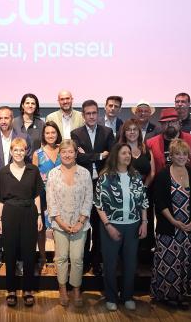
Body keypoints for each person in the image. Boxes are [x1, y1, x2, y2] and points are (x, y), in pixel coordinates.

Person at [150, 139, 191, 309]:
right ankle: (168, 295)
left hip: (190, 229)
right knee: (169, 262)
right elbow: (159, 202)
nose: (181, 157)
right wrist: (174, 222)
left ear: (188, 156)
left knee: (187, 262)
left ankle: (183, 294)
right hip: (169, 228)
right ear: (171, 156)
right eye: (177, 154)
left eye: (184, 154)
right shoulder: (162, 175)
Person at [95, 143, 148, 311]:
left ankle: (127, 296)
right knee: (110, 264)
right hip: (111, 226)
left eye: (129, 153)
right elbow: (98, 204)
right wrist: (108, 225)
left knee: (130, 264)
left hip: (132, 226)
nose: (128, 156)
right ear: (116, 155)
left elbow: (143, 201)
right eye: (124, 153)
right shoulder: (105, 176)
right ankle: (111, 296)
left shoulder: (136, 176)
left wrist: (144, 222)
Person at [0, 137, 44, 307]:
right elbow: (0, 199)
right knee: (10, 253)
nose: (18, 153)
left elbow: (37, 195)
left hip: (29, 212)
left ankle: (28, 289)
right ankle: (11, 290)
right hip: (9, 213)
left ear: (26, 151)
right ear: (11, 151)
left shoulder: (33, 170)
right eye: (15, 150)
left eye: (22, 150)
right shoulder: (3, 172)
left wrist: (39, 216)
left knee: (29, 252)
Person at [0, 106, 31, 275]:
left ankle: (18, 260)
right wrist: (1, 183)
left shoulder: (24, 137)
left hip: (18, 191)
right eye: (0, 118)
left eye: (7, 118)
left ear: (12, 119)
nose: (3, 121)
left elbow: (28, 163)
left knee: (17, 227)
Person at [46, 140, 92, 307]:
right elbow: (50, 201)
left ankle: (77, 289)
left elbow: (88, 199)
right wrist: (60, 222)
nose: (67, 155)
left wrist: (80, 221)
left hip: (80, 225)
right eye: (64, 152)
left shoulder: (85, 173)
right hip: (60, 224)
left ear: (75, 153)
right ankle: (63, 288)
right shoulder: (53, 174)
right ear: (60, 154)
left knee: (77, 258)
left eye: (70, 152)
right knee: (62, 258)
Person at [71, 99, 115, 275]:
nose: (91, 116)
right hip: (82, 184)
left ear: (98, 114)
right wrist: (98, 155)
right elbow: (77, 158)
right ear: (83, 115)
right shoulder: (76, 133)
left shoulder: (107, 132)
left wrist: (88, 155)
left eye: (94, 113)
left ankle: (97, 261)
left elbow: (111, 156)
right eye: (88, 113)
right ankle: (84, 261)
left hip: (101, 184)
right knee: (83, 223)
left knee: (99, 225)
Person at [119, 119, 155, 261]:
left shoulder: (146, 149)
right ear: (124, 132)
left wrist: (144, 188)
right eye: (129, 129)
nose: (132, 132)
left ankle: (144, 258)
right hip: (125, 196)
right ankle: (126, 259)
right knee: (129, 227)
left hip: (145, 193)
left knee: (145, 224)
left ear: (139, 132)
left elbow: (152, 172)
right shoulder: (120, 150)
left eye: (135, 129)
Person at [32, 121, 62, 274]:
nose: (50, 135)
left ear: (57, 134)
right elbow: (33, 177)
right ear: (43, 135)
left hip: (60, 196)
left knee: (58, 227)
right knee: (41, 228)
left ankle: (58, 259)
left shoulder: (63, 150)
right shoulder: (37, 154)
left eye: (53, 132)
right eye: (47, 133)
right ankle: (42, 258)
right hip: (42, 195)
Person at [147, 108, 191, 174]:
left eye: (173, 121)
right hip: (161, 182)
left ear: (179, 122)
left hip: (189, 182)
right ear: (161, 124)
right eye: (166, 122)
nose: (170, 125)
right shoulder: (150, 144)